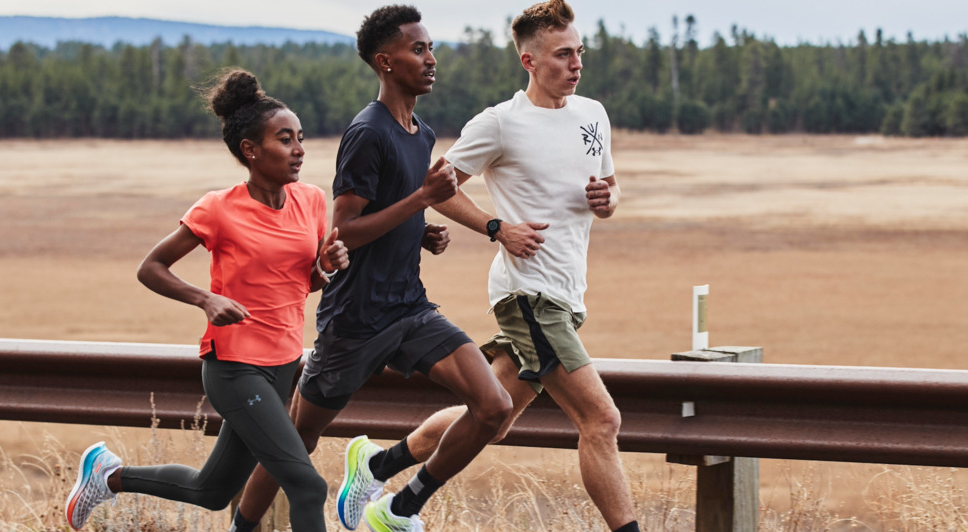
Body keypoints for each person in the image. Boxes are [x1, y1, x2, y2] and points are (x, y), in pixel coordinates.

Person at [344, 1, 643, 531]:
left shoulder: (593, 114)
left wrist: (608, 199)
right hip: (528, 297)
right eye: (562, 55)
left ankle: (378, 468)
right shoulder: (501, 123)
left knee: (495, 415)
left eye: (579, 53)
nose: (576, 64)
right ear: (529, 61)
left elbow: (610, 187)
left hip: (568, 296)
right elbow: (435, 191)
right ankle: (401, 509)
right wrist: (495, 227)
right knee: (601, 419)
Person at [229, 5, 512, 532]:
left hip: (409, 308)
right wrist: (421, 200)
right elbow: (345, 231)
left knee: (494, 406)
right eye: (418, 49)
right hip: (356, 320)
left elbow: (393, 206)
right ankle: (241, 528)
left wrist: (418, 230)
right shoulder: (368, 132)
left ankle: (398, 505)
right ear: (385, 61)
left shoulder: (420, 132)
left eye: (431, 48)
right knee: (297, 438)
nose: (431, 59)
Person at [63, 69, 347, 532]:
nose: (299, 150)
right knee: (307, 485)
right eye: (285, 140)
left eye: (300, 138)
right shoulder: (219, 208)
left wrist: (327, 267)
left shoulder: (311, 201)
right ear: (250, 150)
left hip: (283, 363)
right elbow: (150, 267)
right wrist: (206, 300)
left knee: (212, 490)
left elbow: (303, 281)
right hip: (234, 367)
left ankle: (108, 476)